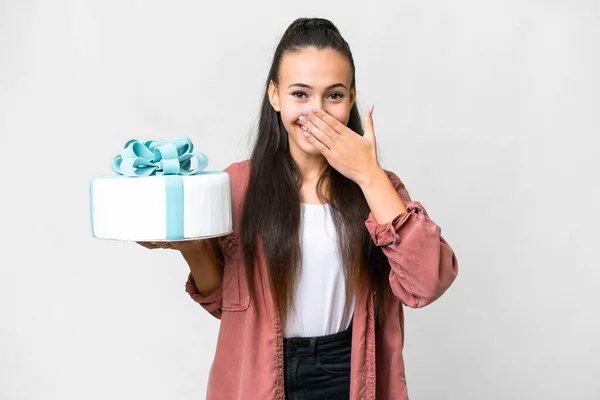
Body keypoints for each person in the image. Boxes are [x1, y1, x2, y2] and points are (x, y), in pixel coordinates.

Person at [138, 17, 458, 400]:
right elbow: (225, 305)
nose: (316, 112)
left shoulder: (378, 186)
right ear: (275, 95)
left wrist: (369, 175)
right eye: (300, 94)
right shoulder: (236, 186)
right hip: (260, 373)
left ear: (352, 98)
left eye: (334, 95)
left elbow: (427, 282)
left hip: (349, 370)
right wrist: (190, 247)